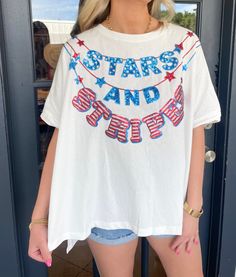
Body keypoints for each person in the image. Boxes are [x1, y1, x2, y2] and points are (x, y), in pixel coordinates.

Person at [28, 0, 222, 276]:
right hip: (106, 204)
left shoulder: (185, 45)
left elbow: (197, 126)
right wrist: (39, 218)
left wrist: (193, 210)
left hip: (170, 204)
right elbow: (63, 134)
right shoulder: (78, 51)